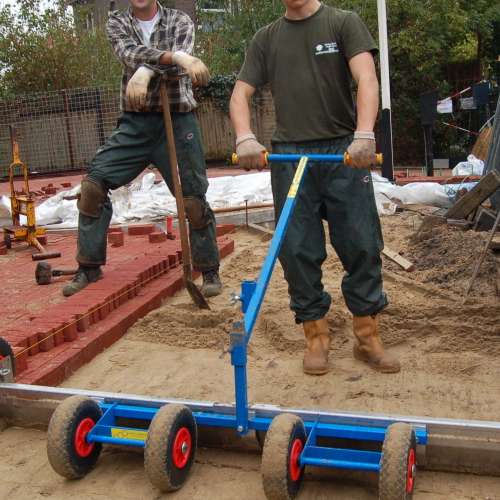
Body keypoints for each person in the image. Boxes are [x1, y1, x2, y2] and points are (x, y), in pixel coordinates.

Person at [230, 0, 400, 375]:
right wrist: (244, 137)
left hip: (342, 152)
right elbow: (240, 94)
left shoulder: (343, 23)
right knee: (296, 249)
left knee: (361, 241)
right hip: (290, 156)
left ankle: (367, 336)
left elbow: (366, 78)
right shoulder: (266, 39)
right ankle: (316, 337)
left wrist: (364, 133)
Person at [63, 0, 222, 298]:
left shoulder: (180, 21)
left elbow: (182, 64)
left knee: (192, 200)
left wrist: (146, 71)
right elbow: (129, 54)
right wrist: (173, 58)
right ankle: (89, 266)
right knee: (93, 186)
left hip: (178, 120)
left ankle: (209, 269)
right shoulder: (117, 22)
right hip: (135, 123)